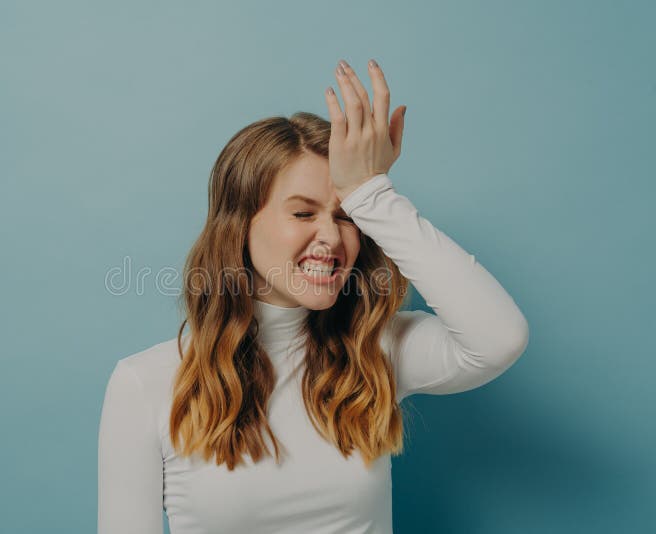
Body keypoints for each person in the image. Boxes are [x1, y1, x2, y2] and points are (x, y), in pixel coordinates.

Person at [98, 58, 529, 534]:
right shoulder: (146, 384)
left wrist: (372, 195)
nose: (331, 236)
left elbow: (500, 338)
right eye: (303, 214)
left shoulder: (375, 352)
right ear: (239, 227)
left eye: (345, 217)